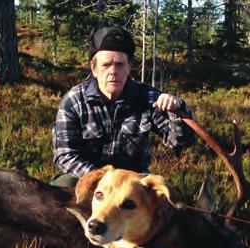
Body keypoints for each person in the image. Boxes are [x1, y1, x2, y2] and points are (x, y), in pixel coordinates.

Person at [51, 26, 196, 187]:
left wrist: (176, 111)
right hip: (89, 179)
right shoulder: (74, 100)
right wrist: (103, 180)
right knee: (59, 189)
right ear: (94, 69)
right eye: (106, 65)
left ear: (129, 67)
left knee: (167, 199)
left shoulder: (148, 98)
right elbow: (65, 155)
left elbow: (182, 142)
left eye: (119, 64)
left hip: (133, 183)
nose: (113, 71)